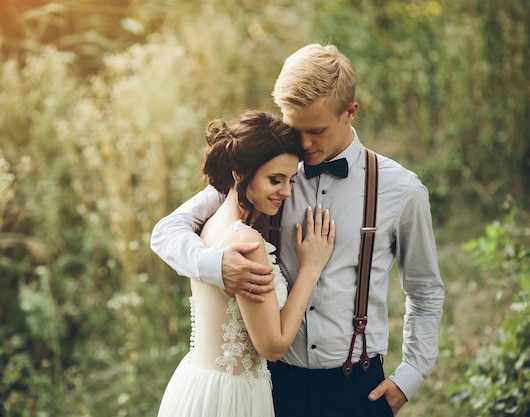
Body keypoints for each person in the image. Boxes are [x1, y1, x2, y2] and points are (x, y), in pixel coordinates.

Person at [151, 43, 445, 417]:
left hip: (357, 387)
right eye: (295, 129)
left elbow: (425, 290)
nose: (304, 145)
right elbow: (167, 231)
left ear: (350, 112)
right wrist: (216, 266)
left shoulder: (401, 191)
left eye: (316, 131)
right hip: (274, 387)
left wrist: (412, 374)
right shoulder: (263, 174)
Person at [155, 110, 336, 417]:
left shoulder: (209, 223)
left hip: (197, 385)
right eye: (275, 180)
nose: (288, 192)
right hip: (232, 398)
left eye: (291, 180)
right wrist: (311, 268)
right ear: (239, 174)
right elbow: (273, 346)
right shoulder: (248, 243)